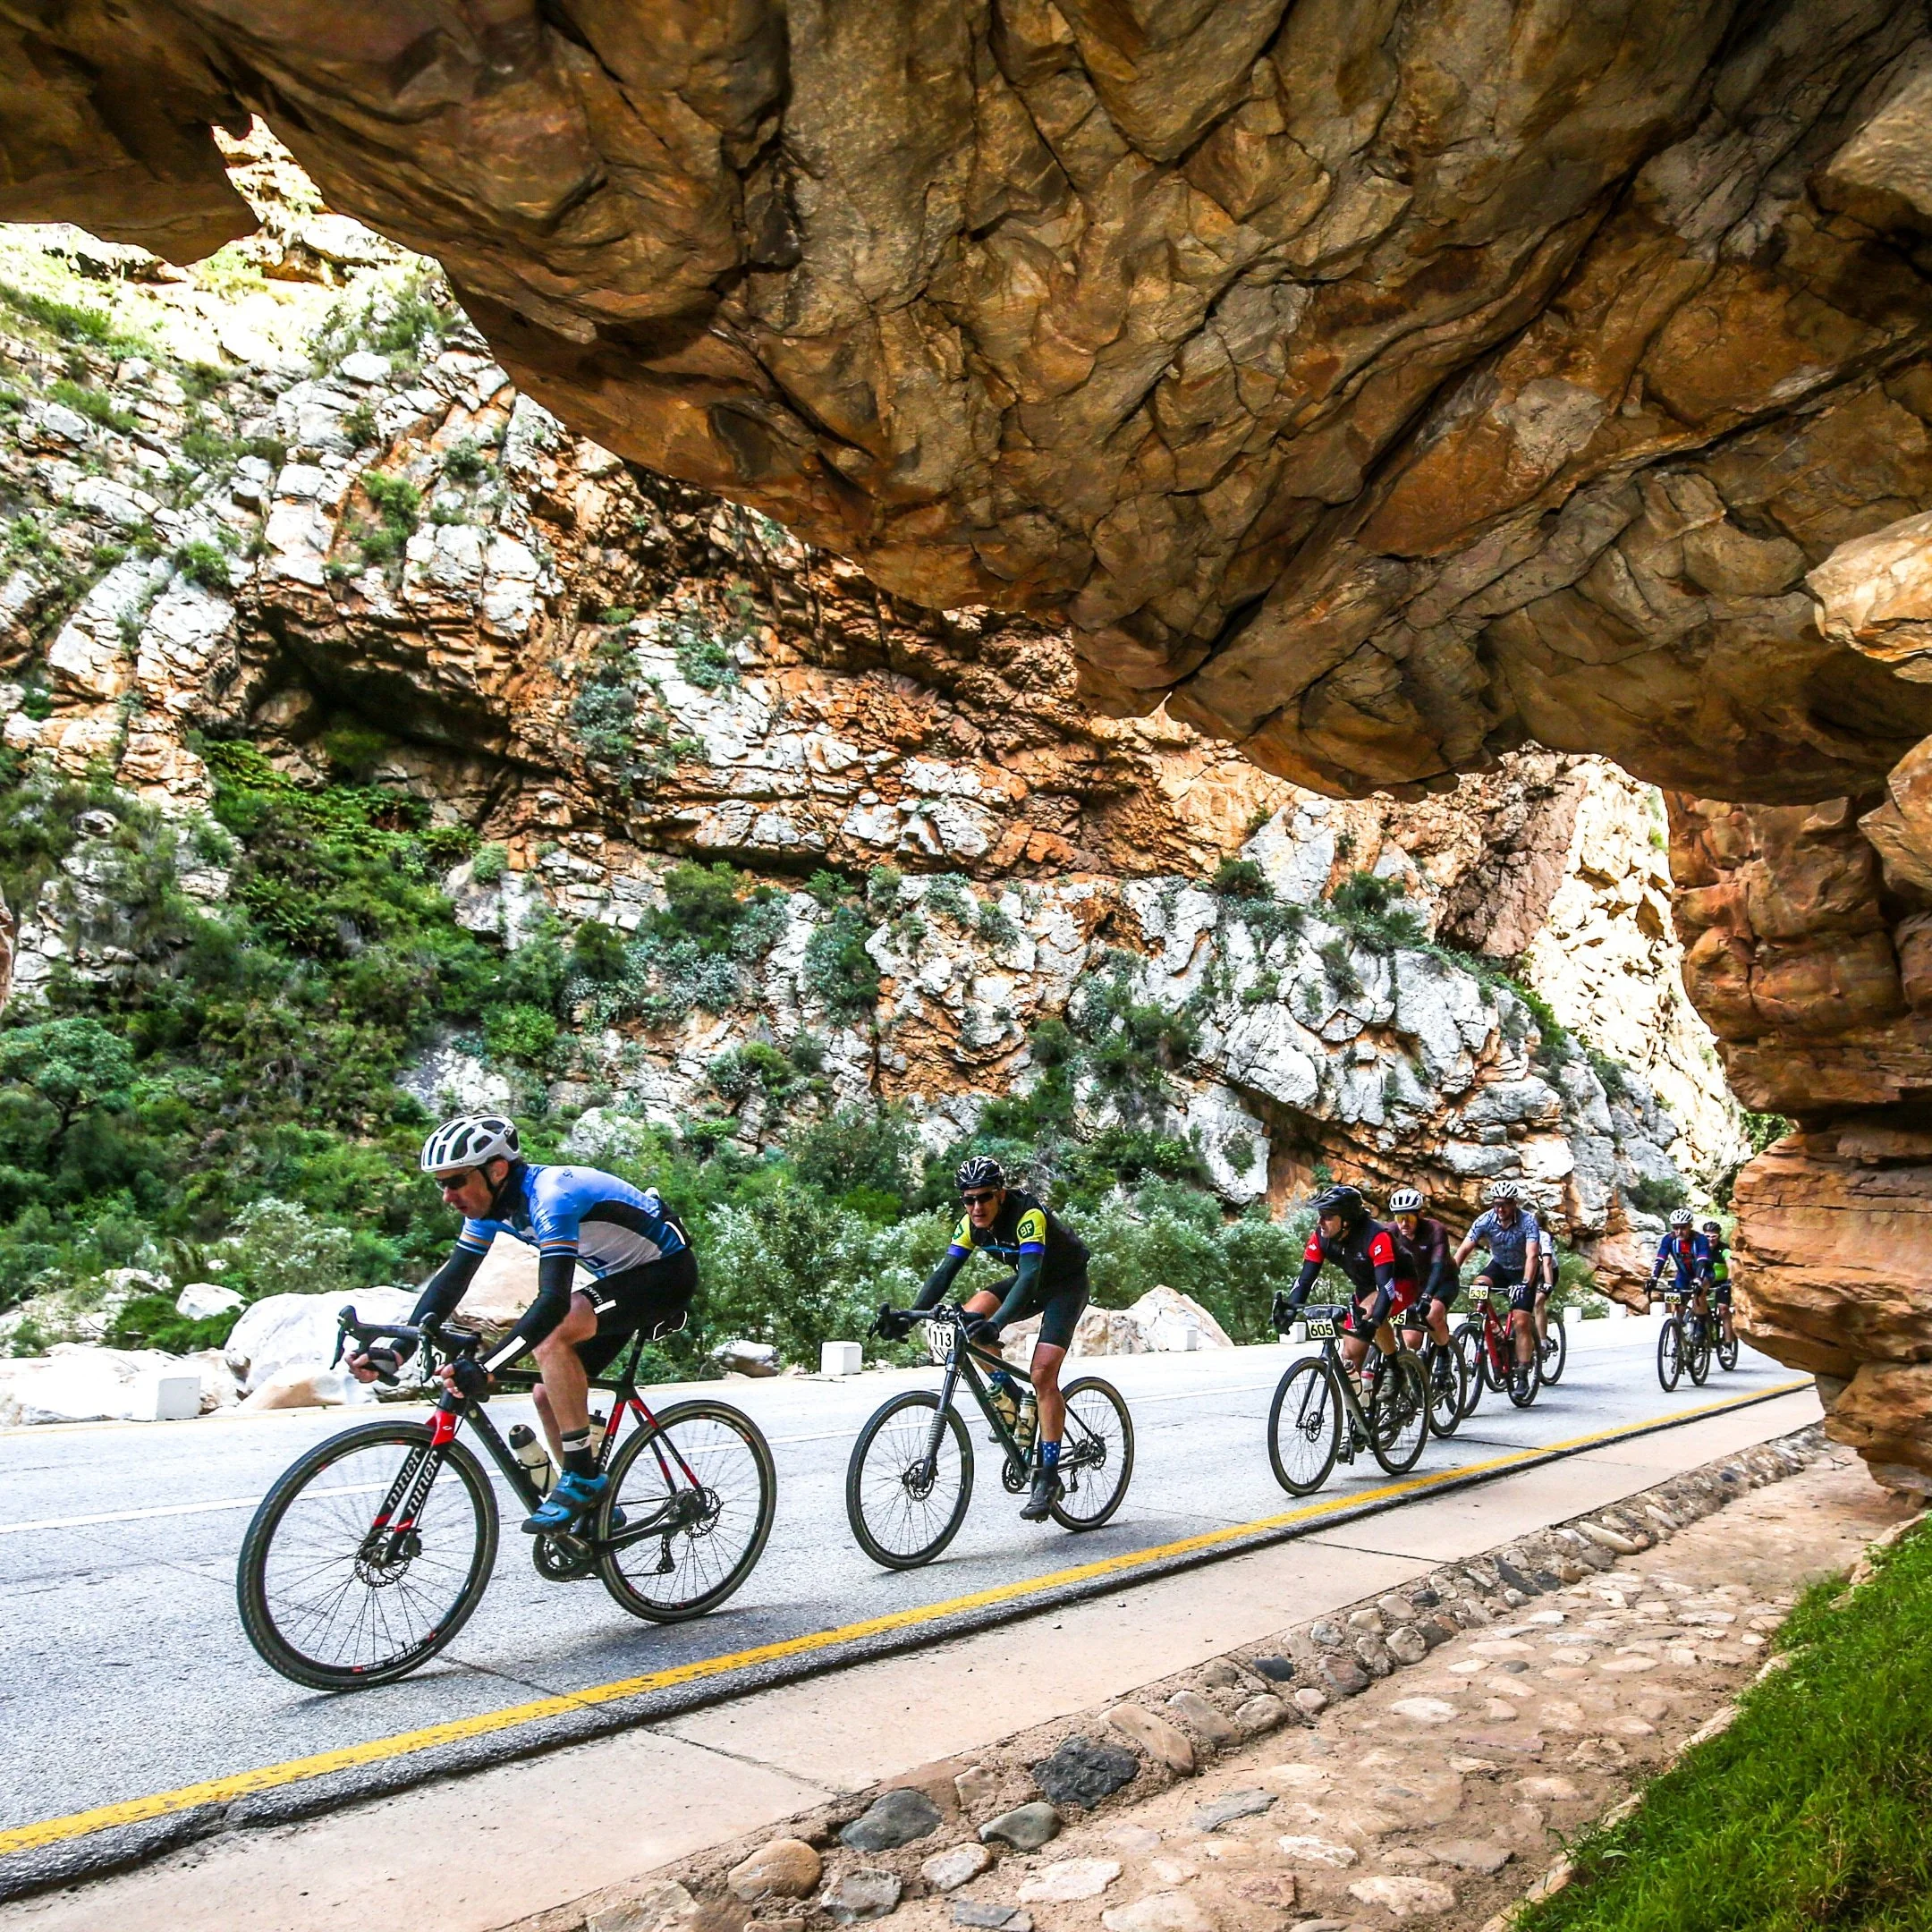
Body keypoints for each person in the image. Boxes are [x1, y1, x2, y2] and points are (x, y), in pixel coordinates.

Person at [351, 1114, 698, 1535]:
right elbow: (451, 1282)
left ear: (496, 1170)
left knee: (554, 1334)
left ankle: (582, 1478)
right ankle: (596, 1512)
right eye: (441, 1184)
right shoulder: (490, 1210)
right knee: (545, 1394)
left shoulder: (553, 1196)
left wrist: (487, 1365)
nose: (447, 1195)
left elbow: (551, 1301)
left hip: (666, 1273)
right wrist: (397, 1348)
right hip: (619, 1280)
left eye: (456, 1181)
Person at [885, 1156, 1090, 1522]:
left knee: (1043, 1375)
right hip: (1031, 1281)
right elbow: (944, 1272)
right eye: (968, 1199)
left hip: (1064, 1286)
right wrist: (909, 1316)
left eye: (984, 1198)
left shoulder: (1028, 1215)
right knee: (968, 1319)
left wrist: (997, 1324)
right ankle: (1012, 1402)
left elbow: (1028, 1279)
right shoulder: (971, 1224)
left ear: (1000, 1194)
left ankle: (1047, 1476)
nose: (976, 1207)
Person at [1276, 1183, 1420, 1394]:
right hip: (1365, 1287)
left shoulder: (1376, 1236)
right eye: (1320, 1214)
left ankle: (1394, 1368)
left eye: (1326, 1216)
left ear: (1346, 1220)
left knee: (1371, 1313)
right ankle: (1362, 1413)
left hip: (1400, 1282)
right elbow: (1305, 1280)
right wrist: (1290, 1307)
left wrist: (1374, 1322)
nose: (1319, 1222)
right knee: (1350, 1356)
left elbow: (1386, 1290)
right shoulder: (1322, 1237)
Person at [1453, 1179, 1542, 1398]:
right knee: (1478, 1285)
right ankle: (1492, 1328)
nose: (1500, 1209)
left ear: (1514, 1204)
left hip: (1523, 1271)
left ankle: (1521, 1372)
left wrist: (1525, 1284)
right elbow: (1464, 1248)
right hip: (1500, 1266)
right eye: (1496, 1204)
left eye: (1505, 1204)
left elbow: (1532, 1255)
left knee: (1521, 1321)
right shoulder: (1485, 1220)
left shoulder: (1528, 1221)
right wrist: (1449, 1273)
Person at [1388, 1185, 1459, 1396]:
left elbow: (1438, 1266)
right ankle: (1416, 1374)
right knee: (1411, 1340)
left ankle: (1444, 1357)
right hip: (1413, 1285)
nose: (1404, 1224)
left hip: (1442, 1281)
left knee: (1432, 1315)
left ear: (1420, 1215)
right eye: (1399, 1217)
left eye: (1409, 1217)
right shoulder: (1390, 1232)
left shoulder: (1434, 1230)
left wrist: (1428, 1295)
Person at [1649, 1207, 1714, 1334]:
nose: (1679, 1231)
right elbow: (1661, 1259)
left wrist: (1698, 1280)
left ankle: (1701, 1327)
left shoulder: (1700, 1240)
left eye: (1683, 1227)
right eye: (1675, 1227)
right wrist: (1653, 1278)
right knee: (1677, 1309)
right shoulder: (1669, 1240)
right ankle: (1678, 1344)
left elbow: (1702, 1261)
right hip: (1683, 1276)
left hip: (1705, 1273)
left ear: (1690, 1226)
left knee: (1698, 1293)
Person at [1701, 1218, 1736, 1346]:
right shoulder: (1700, 1249)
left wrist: (1730, 1280)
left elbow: (1730, 1265)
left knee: (1723, 1309)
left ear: (1719, 1236)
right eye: (1707, 1236)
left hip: (1723, 1283)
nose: (1711, 1239)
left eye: (1714, 1236)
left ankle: (1728, 1344)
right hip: (1706, 1282)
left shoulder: (1724, 1250)